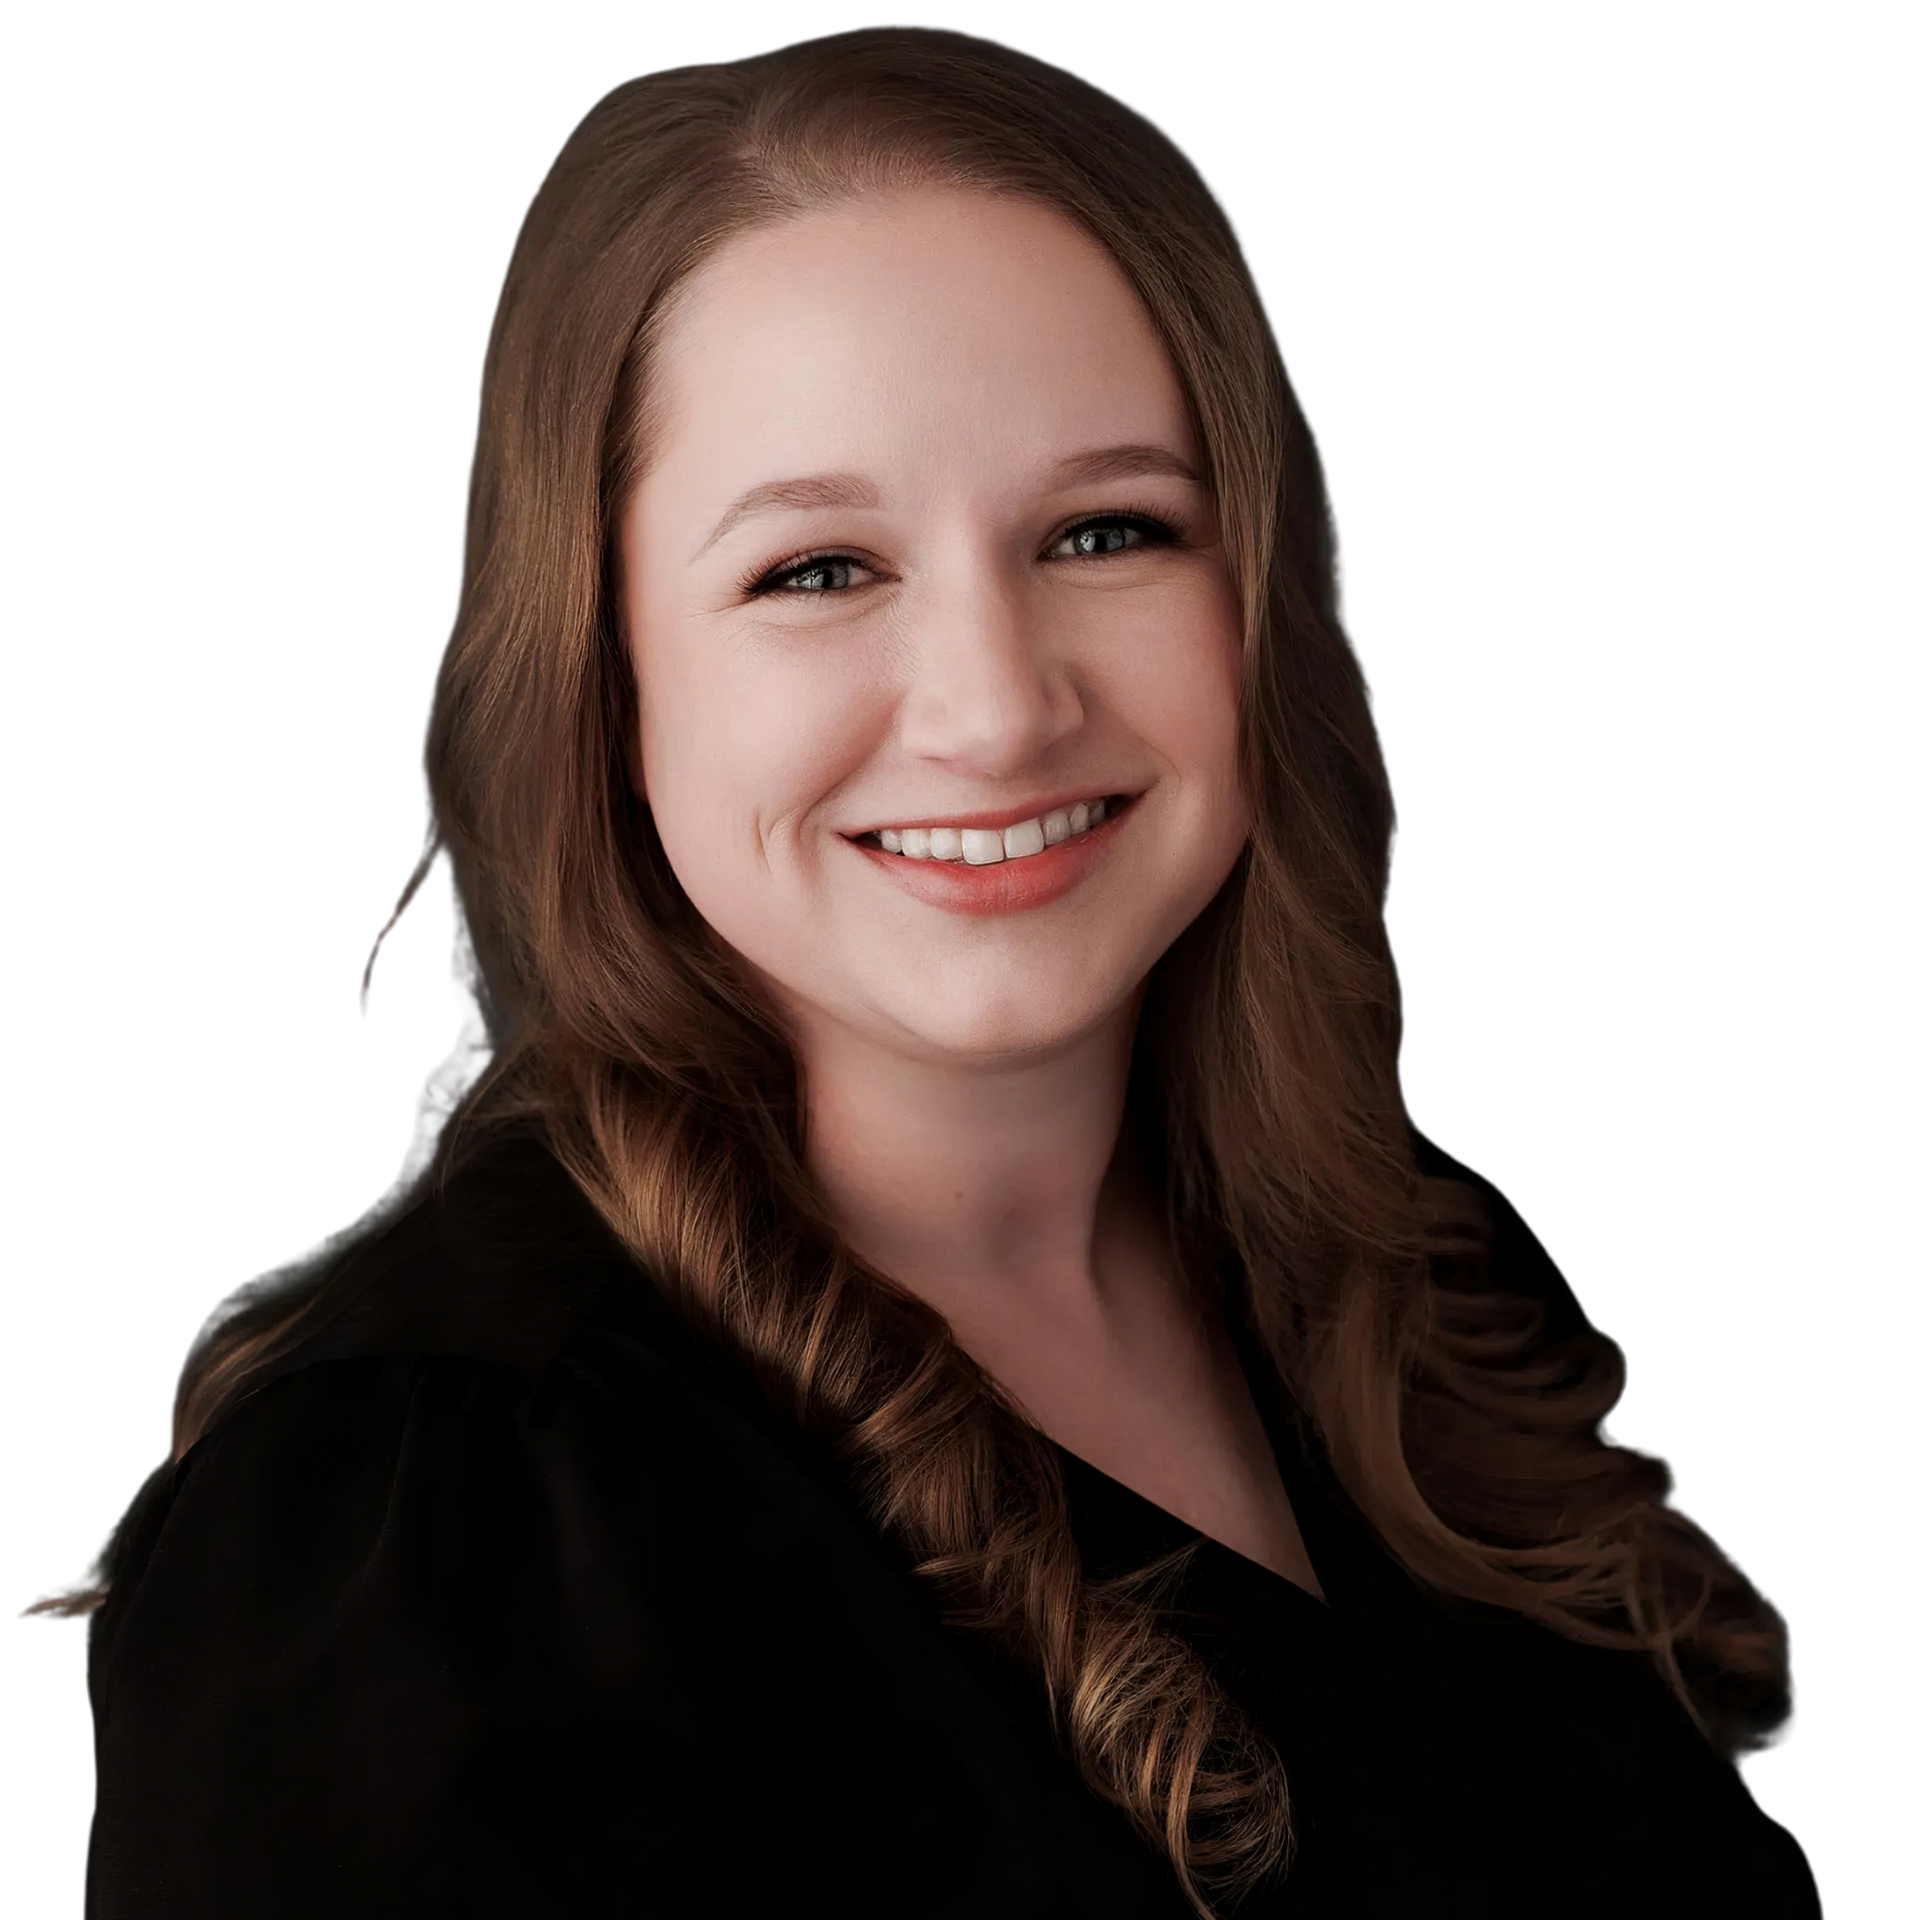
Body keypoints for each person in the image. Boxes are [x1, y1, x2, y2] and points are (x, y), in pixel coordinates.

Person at [25, 25, 1819, 1918]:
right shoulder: (433, 1522)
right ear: (607, 680)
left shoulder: (1418, 1300)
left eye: (1107, 530)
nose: (994, 706)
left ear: (1261, 609)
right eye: (818, 569)